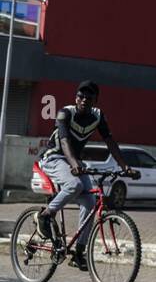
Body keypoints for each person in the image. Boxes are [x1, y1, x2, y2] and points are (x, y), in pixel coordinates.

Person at [35, 81, 140, 269]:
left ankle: (78, 252)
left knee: (91, 202)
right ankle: (45, 215)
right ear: (76, 98)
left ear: (95, 100)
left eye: (88, 97)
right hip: (54, 157)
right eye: (80, 96)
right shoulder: (65, 113)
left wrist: (125, 167)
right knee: (74, 185)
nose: (83, 100)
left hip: (75, 162)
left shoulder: (98, 117)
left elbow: (110, 141)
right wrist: (75, 164)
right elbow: (65, 140)